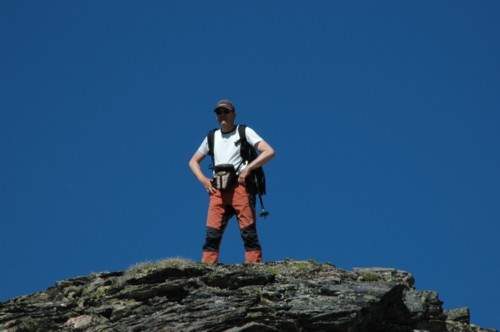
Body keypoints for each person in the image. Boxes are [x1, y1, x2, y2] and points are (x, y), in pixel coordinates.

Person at [189, 99, 275, 264]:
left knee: (248, 231)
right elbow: (192, 162)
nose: (222, 115)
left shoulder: (244, 131)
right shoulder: (211, 137)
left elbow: (269, 151)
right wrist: (204, 181)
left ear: (234, 114)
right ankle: (207, 267)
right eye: (219, 112)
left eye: (226, 112)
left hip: (241, 188)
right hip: (218, 190)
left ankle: (254, 267)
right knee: (212, 233)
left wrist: (248, 169)